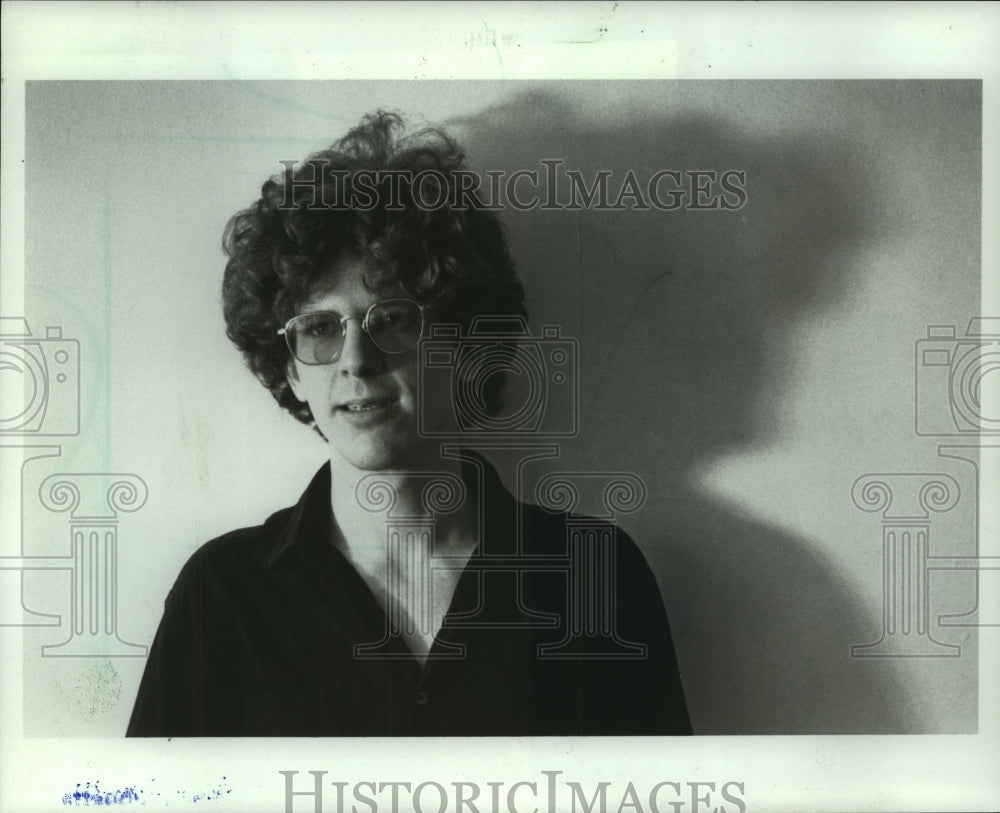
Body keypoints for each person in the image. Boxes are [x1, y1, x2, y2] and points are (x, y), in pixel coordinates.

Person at [126, 111, 691, 736]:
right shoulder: (221, 597)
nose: (357, 361)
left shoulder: (596, 577)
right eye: (319, 328)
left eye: (393, 319)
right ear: (288, 369)